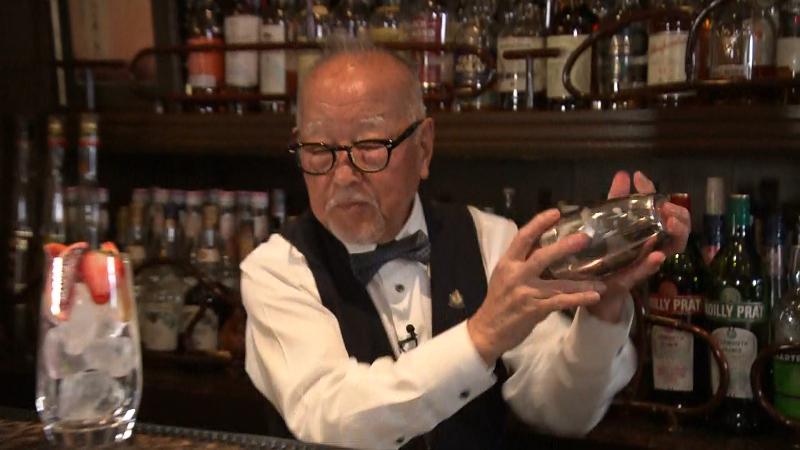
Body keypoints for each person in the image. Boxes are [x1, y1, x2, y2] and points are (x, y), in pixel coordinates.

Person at [240, 42, 690, 450]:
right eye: (319, 149)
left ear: (424, 147)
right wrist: (481, 338)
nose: (342, 175)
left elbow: (563, 414)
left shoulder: (490, 239)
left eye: (370, 145)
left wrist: (602, 310)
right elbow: (330, 416)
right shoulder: (276, 269)